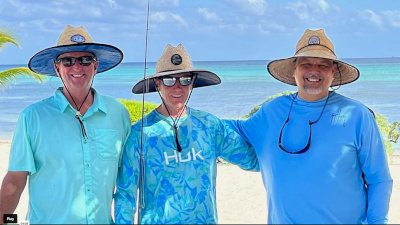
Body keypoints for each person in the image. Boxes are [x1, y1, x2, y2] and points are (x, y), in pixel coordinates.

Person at [227, 29, 393, 224]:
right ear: (294, 70)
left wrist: (378, 221)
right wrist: (188, 118)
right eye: (306, 63)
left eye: (323, 65)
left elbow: (379, 179)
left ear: (333, 72)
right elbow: (227, 130)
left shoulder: (357, 114)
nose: (314, 70)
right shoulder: (271, 111)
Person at [114, 44, 259, 224]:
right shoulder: (139, 134)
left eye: (184, 79)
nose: (177, 87)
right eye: (168, 80)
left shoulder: (210, 125)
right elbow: (125, 195)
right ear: (157, 84)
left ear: (192, 82)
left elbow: (252, 160)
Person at [0, 25, 131, 224]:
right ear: (57, 68)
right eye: (67, 61)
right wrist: (6, 221)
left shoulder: (118, 113)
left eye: (85, 60)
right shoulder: (32, 117)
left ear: (95, 66)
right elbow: (14, 182)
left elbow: (127, 178)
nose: (77, 67)